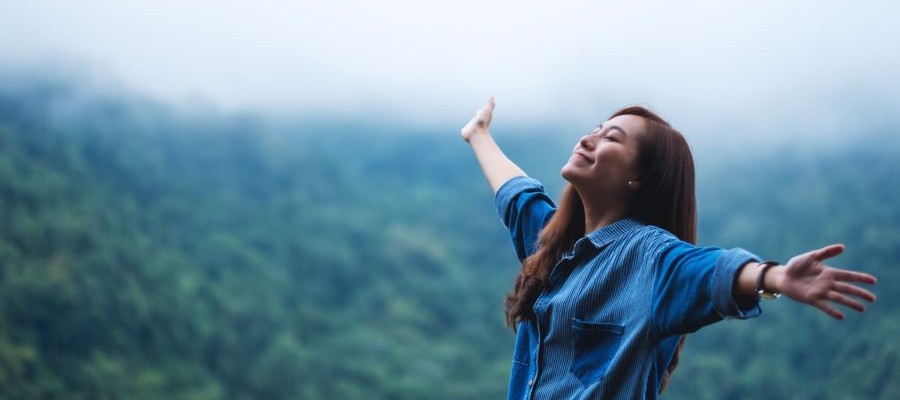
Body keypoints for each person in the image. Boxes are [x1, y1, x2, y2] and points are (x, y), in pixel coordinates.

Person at [459, 97, 878, 400]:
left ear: (638, 178)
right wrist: (479, 135)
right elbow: (517, 197)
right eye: (594, 129)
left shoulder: (650, 257)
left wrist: (774, 277)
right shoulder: (555, 249)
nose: (588, 139)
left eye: (611, 139)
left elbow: (710, 271)